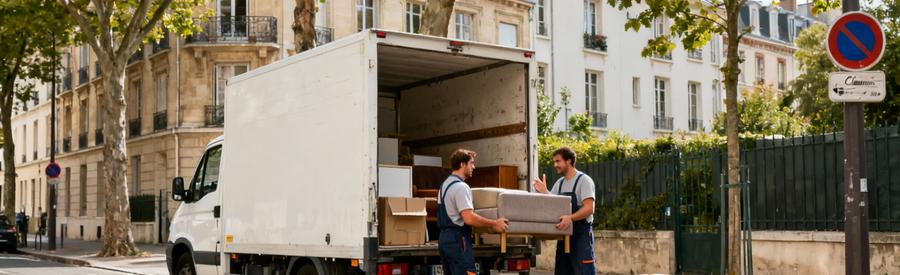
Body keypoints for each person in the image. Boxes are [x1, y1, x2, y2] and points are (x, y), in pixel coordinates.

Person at [438, 149, 509, 275]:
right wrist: (494, 223)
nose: (474, 167)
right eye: (471, 163)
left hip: (445, 239)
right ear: (462, 164)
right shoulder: (461, 187)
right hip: (458, 239)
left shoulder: (444, 185)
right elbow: (469, 218)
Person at [533, 147, 597, 275]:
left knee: (583, 271)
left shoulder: (584, 180)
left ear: (568, 161)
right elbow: (554, 205)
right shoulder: (560, 183)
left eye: (558, 161)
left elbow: (590, 208)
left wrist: (570, 218)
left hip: (581, 236)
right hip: (564, 236)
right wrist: (545, 192)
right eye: (554, 162)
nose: (555, 165)